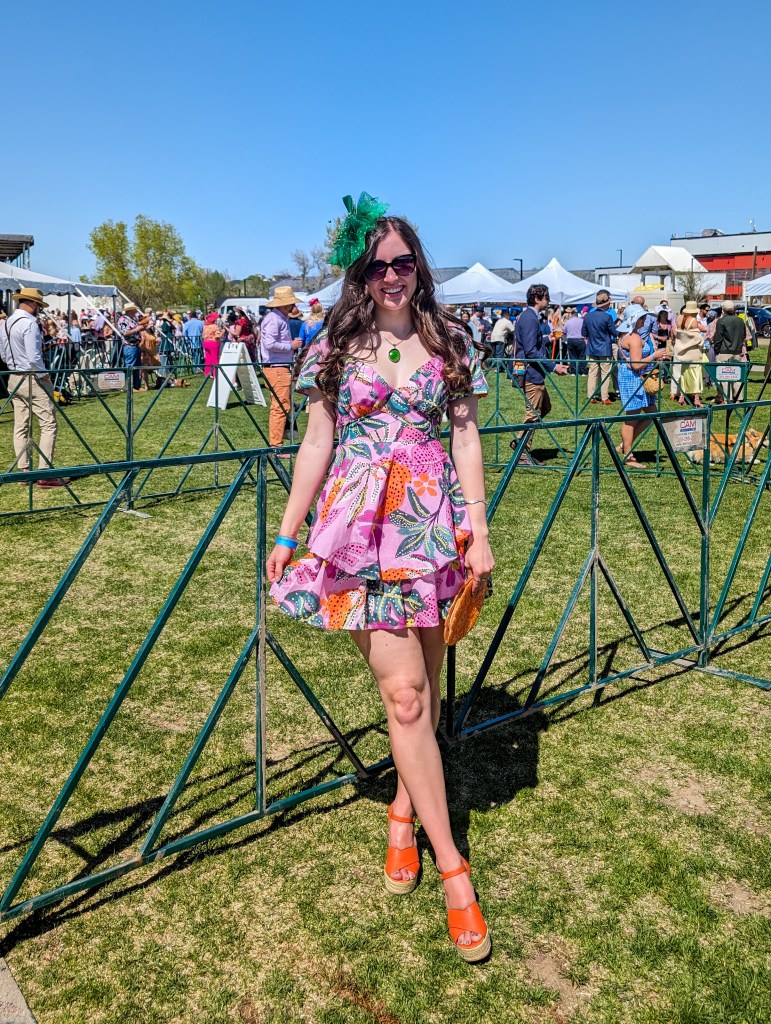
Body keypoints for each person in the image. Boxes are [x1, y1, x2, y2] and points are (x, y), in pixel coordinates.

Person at [267, 195, 493, 962]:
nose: (391, 276)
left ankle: (403, 809)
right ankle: (454, 870)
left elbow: (465, 439)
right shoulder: (333, 346)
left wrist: (478, 530)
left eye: (402, 262)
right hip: (360, 532)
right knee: (405, 698)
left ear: (417, 266)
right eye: (376, 266)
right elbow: (315, 443)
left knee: (422, 693)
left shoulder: (451, 340)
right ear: (359, 275)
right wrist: (288, 532)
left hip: (431, 530)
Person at [0, 288, 70, 487]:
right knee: (48, 424)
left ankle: (25, 472)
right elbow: (33, 357)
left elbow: (3, 355)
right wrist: (44, 376)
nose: (39, 309)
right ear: (32, 303)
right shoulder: (29, 323)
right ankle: (45, 473)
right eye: (39, 305)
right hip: (32, 377)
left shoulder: (6, 323)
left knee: (21, 425)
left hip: (14, 377)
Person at [512, 284, 568, 467]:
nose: (548, 300)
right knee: (533, 413)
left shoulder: (529, 316)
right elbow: (530, 351)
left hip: (531, 371)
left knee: (544, 407)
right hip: (530, 372)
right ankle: (522, 452)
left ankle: (520, 443)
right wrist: (554, 366)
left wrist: (547, 339)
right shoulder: (529, 317)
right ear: (537, 299)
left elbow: (530, 344)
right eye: (546, 297)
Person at [616, 308, 667, 468]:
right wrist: (654, 356)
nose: (645, 321)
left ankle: (625, 445)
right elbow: (636, 365)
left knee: (652, 415)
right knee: (632, 418)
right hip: (634, 378)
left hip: (633, 377)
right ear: (634, 319)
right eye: (642, 318)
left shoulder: (626, 335)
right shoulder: (634, 338)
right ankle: (628, 455)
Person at [259, 285, 303, 452]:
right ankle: (276, 446)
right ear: (286, 304)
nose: (293, 306)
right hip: (277, 368)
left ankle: (278, 442)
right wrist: (290, 346)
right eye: (291, 303)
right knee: (280, 406)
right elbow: (270, 344)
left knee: (282, 405)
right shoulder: (274, 319)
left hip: (278, 367)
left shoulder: (278, 318)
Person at [582, 290, 617, 405]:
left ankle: (591, 396)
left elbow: (583, 333)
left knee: (592, 373)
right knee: (605, 373)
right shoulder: (607, 317)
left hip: (592, 348)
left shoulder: (588, 317)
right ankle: (604, 397)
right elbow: (614, 333)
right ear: (606, 304)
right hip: (605, 349)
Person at [713, 299, 748, 403]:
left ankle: (727, 398)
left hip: (724, 351)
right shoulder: (740, 321)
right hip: (737, 351)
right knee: (736, 375)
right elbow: (744, 336)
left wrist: (716, 350)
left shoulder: (721, 321)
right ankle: (738, 398)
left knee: (724, 376)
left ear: (723, 310)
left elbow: (718, 338)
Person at [672, 301, 704, 407]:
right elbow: (696, 338)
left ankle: (682, 396)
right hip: (693, 351)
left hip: (682, 352)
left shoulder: (679, 318)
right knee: (696, 374)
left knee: (683, 374)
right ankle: (696, 399)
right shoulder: (693, 321)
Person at [116, 302, 144, 390]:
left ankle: (136, 386)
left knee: (137, 367)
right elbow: (124, 333)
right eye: (135, 309)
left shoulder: (133, 319)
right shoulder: (123, 320)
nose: (136, 311)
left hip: (136, 345)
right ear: (131, 310)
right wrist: (137, 329)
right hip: (129, 346)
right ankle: (128, 386)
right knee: (130, 366)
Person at [562, 307, 587, 374]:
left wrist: (564, 340)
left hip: (571, 340)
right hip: (580, 340)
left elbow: (564, 332)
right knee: (582, 356)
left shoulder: (568, 322)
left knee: (572, 356)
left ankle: (573, 371)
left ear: (571, 314)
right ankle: (583, 371)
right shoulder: (582, 321)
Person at [202, 312, 223, 377]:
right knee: (215, 359)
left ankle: (207, 373)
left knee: (208, 359)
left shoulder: (205, 326)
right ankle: (215, 374)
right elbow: (218, 336)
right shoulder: (214, 326)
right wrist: (222, 332)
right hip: (213, 343)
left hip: (206, 342)